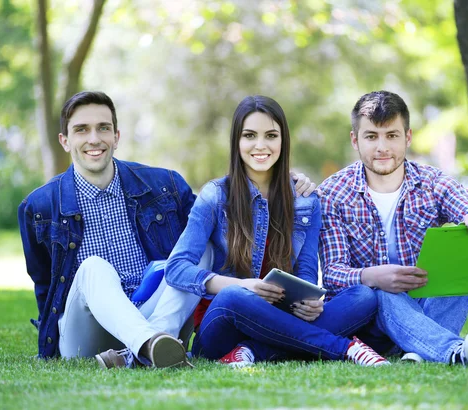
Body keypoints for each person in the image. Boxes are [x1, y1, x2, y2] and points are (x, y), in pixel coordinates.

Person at [18, 91, 316, 369]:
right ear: (64, 140)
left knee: (203, 249)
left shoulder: (164, 185)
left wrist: (279, 180)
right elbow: (44, 285)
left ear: (117, 136)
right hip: (87, 331)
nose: (94, 138)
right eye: (81, 129)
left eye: (103, 128)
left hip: (153, 312)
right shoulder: (40, 206)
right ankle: (149, 344)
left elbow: (227, 212)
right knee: (94, 268)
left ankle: (149, 346)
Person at [165, 95, 389, 368]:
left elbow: (306, 273)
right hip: (224, 322)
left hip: (282, 320)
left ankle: (250, 351)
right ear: (237, 142)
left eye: (270, 135)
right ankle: (345, 348)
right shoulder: (215, 196)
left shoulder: (306, 200)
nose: (260, 145)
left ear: (283, 141)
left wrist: (309, 303)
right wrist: (242, 285)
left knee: (363, 297)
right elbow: (176, 268)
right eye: (250, 136)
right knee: (236, 297)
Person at [318, 90, 468, 366]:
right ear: (355, 140)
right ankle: (453, 352)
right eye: (371, 136)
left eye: (392, 135)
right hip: (372, 318)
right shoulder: (332, 193)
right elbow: (333, 274)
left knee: (460, 262)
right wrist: (374, 275)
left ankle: (417, 352)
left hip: (425, 303)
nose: (382, 147)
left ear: (407, 137)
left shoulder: (432, 181)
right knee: (380, 291)